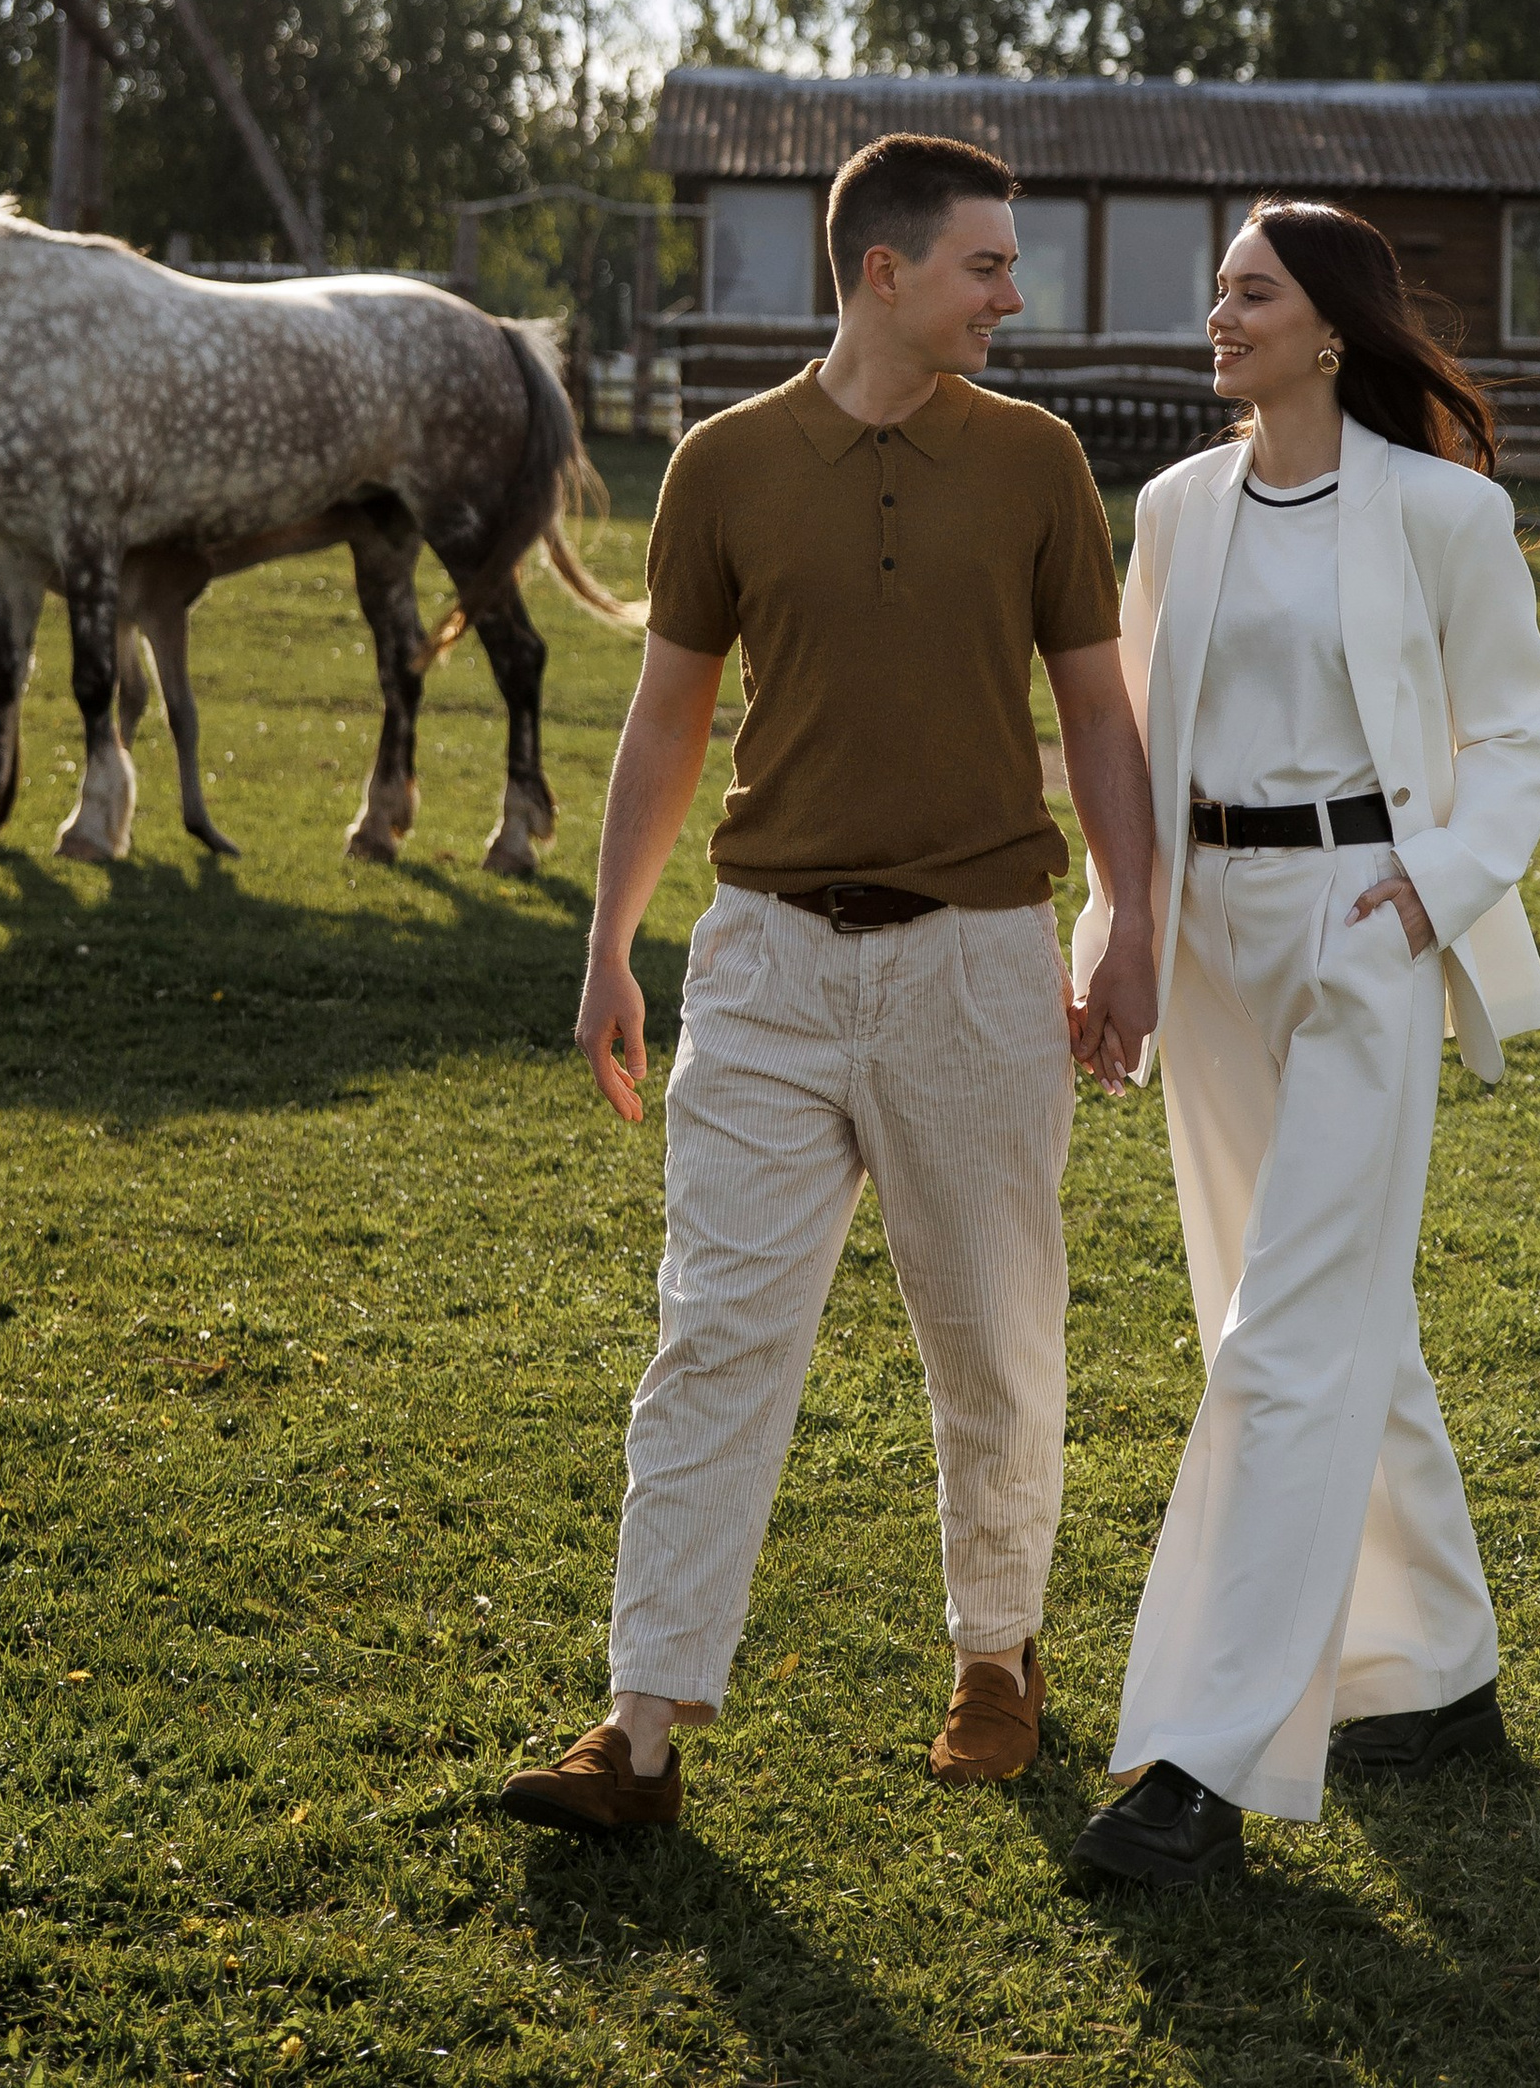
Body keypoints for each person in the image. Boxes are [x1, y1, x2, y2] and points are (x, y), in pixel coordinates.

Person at [501, 132, 1160, 1837]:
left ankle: (999, 1655)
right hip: (768, 962)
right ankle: (640, 1729)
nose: (1016, 296)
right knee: (714, 1332)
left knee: (994, 1334)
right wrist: (611, 953)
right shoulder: (724, 464)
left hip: (975, 968)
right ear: (885, 271)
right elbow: (665, 720)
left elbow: (1098, 715)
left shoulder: (1039, 464)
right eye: (988, 267)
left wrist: (1128, 923)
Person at [1066, 198, 1540, 1891]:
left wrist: (1422, 896)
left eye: (1249, 292)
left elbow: (1516, 735)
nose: (1219, 316)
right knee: (1301, 1311)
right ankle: (1437, 1671)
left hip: (1368, 926)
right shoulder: (1178, 508)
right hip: (1206, 933)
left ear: (1330, 327)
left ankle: (1201, 1764)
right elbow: (1127, 737)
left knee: (1277, 1337)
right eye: (1216, 292)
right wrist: (1115, 935)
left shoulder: (1445, 510)